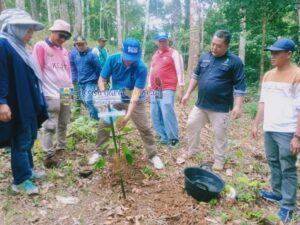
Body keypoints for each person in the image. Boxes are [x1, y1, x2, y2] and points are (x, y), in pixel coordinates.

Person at [181, 30, 246, 170]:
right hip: (201, 104)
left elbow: (240, 86)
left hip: (220, 108)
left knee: (220, 134)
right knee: (191, 124)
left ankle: (219, 160)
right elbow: (196, 76)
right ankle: (193, 151)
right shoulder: (205, 57)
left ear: (226, 46)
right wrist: (187, 94)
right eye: (213, 44)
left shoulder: (235, 62)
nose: (214, 48)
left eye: (218, 46)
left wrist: (238, 106)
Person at [96, 38, 164, 169]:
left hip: (134, 97)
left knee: (144, 127)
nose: (130, 61)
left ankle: (153, 155)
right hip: (115, 95)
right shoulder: (112, 59)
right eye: (128, 57)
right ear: (121, 50)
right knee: (104, 122)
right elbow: (101, 80)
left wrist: (127, 116)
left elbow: (136, 94)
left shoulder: (141, 68)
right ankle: (99, 152)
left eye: (133, 58)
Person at [0, 9, 48, 194]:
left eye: (31, 31)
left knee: (29, 138)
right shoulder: (3, 45)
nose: (30, 35)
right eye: (27, 31)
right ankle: (20, 180)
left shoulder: (19, 47)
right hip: (15, 103)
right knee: (20, 140)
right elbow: (1, 76)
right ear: (15, 29)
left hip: (27, 101)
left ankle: (28, 170)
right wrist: (2, 101)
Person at [252, 38, 299, 224]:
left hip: (288, 130)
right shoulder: (268, 75)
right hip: (270, 127)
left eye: (277, 53)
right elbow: (263, 102)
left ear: (289, 54)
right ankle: (278, 193)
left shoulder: (297, 75)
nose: (272, 55)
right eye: (271, 52)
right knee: (273, 161)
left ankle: (288, 205)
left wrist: (297, 136)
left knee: (287, 166)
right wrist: (256, 123)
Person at [32, 19, 73, 168]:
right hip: (50, 92)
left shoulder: (64, 51)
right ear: (53, 32)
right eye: (60, 35)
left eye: (65, 37)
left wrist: (71, 88)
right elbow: (37, 70)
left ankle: (61, 148)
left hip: (66, 91)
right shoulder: (41, 47)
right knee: (50, 125)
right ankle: (48, 156)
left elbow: (67, 71)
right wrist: (39, 92)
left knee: (64, 121)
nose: (62, 39)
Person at [149, 31, 184, 148]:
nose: (162, 43)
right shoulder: (155, 55)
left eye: (164, 40)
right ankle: (163, 136)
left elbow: (180, 70)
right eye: (160, 41)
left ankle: (173, 138)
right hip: (156, 88)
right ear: (156, 42)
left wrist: (181, 86)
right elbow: (152, 70)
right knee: (156, 111)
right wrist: (149, 84)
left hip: (168, 87)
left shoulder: (174, 53)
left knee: (167, 108)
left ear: (167, 41)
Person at [73, 36, 101, 120]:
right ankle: (93, 116)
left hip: (91, 82)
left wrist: (100, 82)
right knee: (84, 101)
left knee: (88, 100)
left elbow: (99, 68)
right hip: (81, 82)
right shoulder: (77, 57)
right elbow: (78, 69)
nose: (80, 46)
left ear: (86, 44)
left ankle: (96, 119)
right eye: (78, 45)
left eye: (82, 44)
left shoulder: (92, 56)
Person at [69, 36, 81, 119]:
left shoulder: (71, 52)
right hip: (75, 78)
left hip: (72, 78)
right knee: (77, 97)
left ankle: (71, 114)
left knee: (73, 96)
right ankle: (75, 115)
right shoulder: (74, 53)